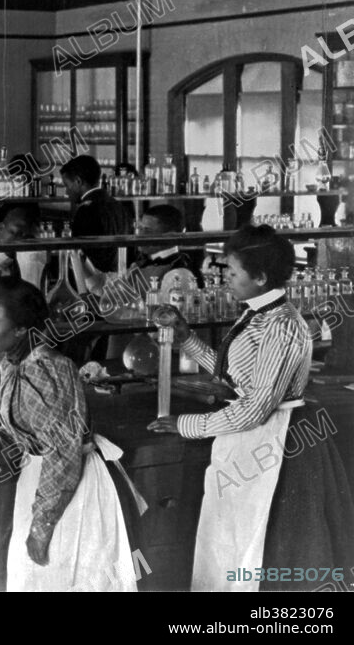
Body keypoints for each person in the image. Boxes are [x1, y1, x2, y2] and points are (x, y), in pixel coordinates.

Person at [149, 225, 354, 591]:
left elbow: (256, 407)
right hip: (253, 439)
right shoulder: (259, 312)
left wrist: (187, 425)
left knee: (265, 551)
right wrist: (187, 339)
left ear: (260, 277)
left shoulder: (282, 325)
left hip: (279, 444)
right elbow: (237, 377)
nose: (224, 276)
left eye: (232, 271)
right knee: (234, 543)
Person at [0, 277, 136, 591]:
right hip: (39, 484)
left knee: (62, 577)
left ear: (21, 329)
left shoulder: (48, 371)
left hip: (69, 492)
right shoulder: (13, 362)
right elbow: (22, 425)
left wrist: (42, 525)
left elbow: (62, 455)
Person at [60, 154, 131, 273]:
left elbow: (79, 256)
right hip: (120, 278)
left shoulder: (85, 210)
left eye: (67, 185)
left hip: (95, 281)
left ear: (78, 181)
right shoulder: (118, 206)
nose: (67, 192)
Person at [0, 202, 48, 289]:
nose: (26, 242)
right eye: (20, 233)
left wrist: (32, 266)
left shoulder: (40, 257)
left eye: (32, 235)